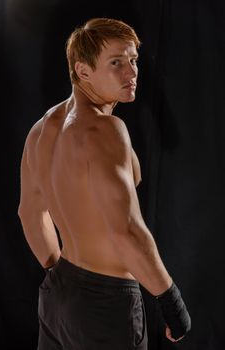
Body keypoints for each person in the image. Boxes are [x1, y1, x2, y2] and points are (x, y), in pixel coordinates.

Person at [18, 18, 191, 350]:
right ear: (83, 72)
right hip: (106, 305)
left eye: (133, 60)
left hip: (58, 298)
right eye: (116, 63)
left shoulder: (41, 130)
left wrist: (61, 276)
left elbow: (29, 213)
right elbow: (125, 230)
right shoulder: (105, 130)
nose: (132, 71)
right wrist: (171, 300)